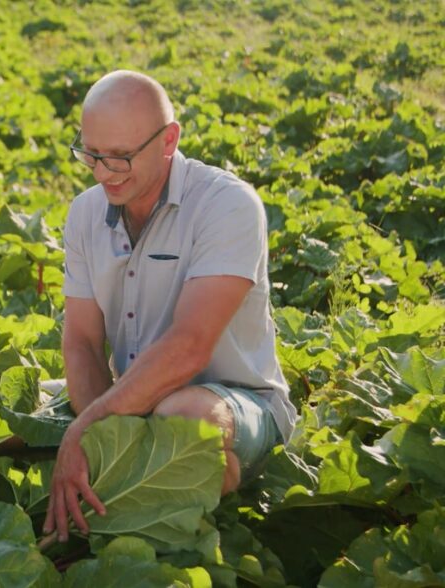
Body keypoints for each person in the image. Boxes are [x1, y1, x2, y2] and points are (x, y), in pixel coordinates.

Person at [42, 70, 297, 542]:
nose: (102, 173)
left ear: (168, 140)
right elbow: (80, 341)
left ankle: (160, 530)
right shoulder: (83, 213)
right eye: (90, 154)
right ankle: (139, 500)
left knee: (183, 422)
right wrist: (102, 440)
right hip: (130, 401)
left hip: (235, 402)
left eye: (119, 158)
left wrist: (86, 429)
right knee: (22, 411)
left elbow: (189, 347)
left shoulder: (227, 205)